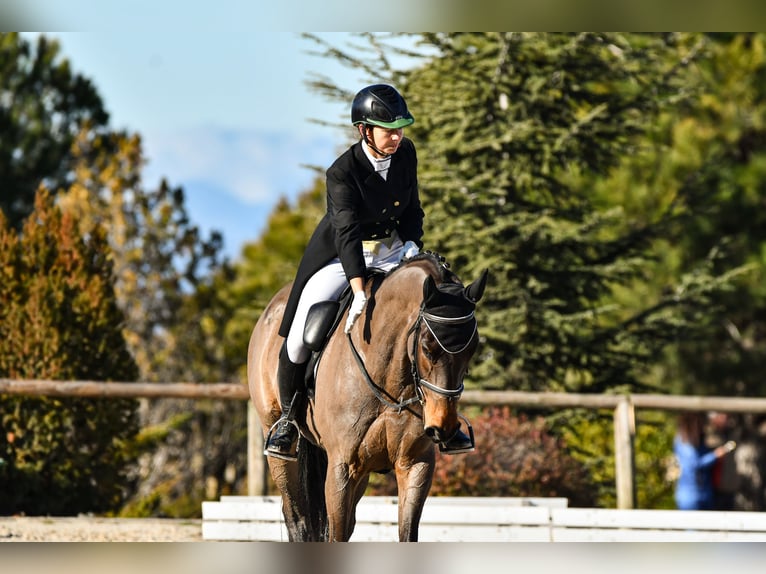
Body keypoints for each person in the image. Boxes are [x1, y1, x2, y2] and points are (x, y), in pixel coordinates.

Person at [265, 83, 473, 460]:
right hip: (342, 259)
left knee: (438, 319)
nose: (396, 136)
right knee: (299, 335)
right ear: (365, 130)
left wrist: (411, 245)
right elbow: (346, 234)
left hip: (393, 252)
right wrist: (359, 291)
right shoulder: (341, 172)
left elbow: (412, 210)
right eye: (388, 129)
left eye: (399, 129)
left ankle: (445, 418)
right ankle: (288, 422)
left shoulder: (406, 153)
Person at [673, 412, 737, 511]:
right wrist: (715, 455)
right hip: (691, 494)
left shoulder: (700, 440)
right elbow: (694, 464)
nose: (702, 427)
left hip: (706, 493)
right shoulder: (683, 441)